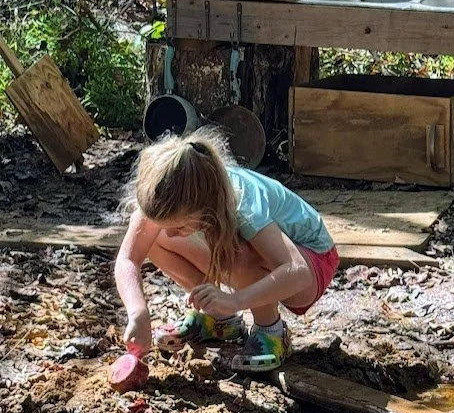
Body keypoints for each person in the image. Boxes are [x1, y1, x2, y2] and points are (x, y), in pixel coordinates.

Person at [114, 128, 339, 372]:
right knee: (152, 239)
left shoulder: (241, 203)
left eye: (179, 226)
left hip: (312, 263)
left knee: (234, 252)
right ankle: (217, 319)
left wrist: (235, 300)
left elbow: (298, 271)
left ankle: (270, 332)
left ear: (205, 207)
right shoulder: (162, 196)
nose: (170, 234)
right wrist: (138, 312)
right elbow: (128, 259)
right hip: (285, 266)